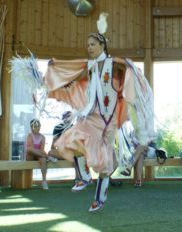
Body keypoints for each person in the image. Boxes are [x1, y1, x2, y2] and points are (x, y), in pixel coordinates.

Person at [43, 14, 154, 212]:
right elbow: (76, 75)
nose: (89, 47)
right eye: (88, 45)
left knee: (106, 161)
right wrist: (58, 71)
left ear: (102, 45)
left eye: (92, 44)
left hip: (109, 120)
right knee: (72, 138)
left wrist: (128, 67)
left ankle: (99, 198)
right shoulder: (91, 66)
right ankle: (84, 177)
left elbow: (130, 72)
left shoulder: (114, 64)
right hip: (93, 115)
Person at [48, 111, 92, 192]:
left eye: (69, 117)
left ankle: (79, 179)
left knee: (76, 156)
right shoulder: (58, 127)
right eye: (66, 117)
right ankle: (81, 178)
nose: (67, 119)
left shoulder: (73, 127)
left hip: (73, 152)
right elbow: (53, 145)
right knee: (51, 152)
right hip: (63, 151)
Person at [26, 119, 57, 190]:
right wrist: (40, 153)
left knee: (43, 160)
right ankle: (48, 157)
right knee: (29, 149)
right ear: (32, 127)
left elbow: (42, 149)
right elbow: (31, 149)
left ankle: (44, 181)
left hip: (39, 155)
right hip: (30, 156)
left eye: (39, 126)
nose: (38, 127)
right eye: (35, 126)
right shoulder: (29, 136)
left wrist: (41, 154)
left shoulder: (43, 137)